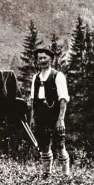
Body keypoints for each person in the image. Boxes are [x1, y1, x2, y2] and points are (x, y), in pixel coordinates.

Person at [30, 47, 70, 177]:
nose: (42, 61)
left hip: (54, 114)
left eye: (44, 58)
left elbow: (63, 99)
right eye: (39, 58)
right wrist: (32, 117)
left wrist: (61, 119)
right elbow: (33, 100)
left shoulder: (58, 76)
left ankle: (66, 175)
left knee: (60, 145)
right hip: (41, 115)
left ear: (51, 60)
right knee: (44, 146)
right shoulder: (35, 78)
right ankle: (46, 174)